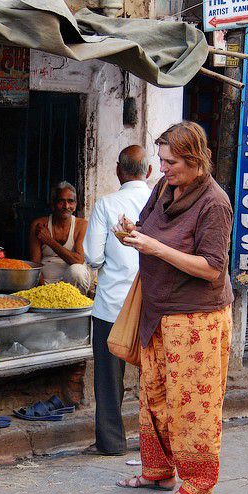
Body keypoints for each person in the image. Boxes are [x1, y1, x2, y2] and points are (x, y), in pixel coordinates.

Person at [115, 122, 234, 494]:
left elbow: (212, 268)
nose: (163, 169)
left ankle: (198, 484)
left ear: (195, 160)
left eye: (171, 162)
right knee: (155, 395)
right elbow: (150, 231)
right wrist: (131, 234)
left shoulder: (215, 203)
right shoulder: (164, 188)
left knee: (192, 403)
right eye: (162, 161)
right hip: (158, 310)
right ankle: (159, 470)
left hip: (196, 319)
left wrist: (155, 248)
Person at [82, 145, 152, 456]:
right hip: (152, 304)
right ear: (149, 172)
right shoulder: (160, 203)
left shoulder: (106, 204)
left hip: (113, 304)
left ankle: (111, 442)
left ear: (117, 171)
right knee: (155, 375)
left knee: (109, 378)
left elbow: (93, 256)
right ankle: (155, 443)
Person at [29, 182, 92, 292]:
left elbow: (78, 259)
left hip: (72, 283)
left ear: (75, 205)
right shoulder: (39, 225)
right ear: (53, 204)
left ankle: (75, 307)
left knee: (77, 271)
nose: (66, 206)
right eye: (61, 201)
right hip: (45, 283)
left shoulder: (81, 225)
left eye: (70, 201)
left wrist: (49, 240)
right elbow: (35, 265)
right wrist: (43, 291)